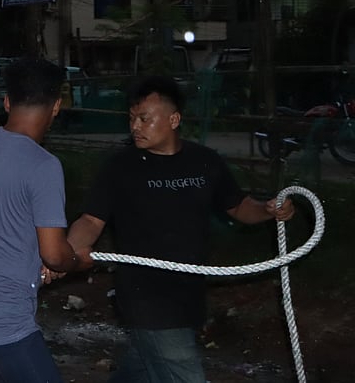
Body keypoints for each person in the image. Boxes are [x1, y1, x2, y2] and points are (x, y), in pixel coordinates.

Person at [67, 75, 295, 383]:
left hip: (188, 293)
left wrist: (267, 210)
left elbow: (239, 206)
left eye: (144, 119)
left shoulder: (205, 161)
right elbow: (91, 221)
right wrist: (68, 252)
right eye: (132, 119)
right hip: (143, 297)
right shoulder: (120, 167)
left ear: (174, 120)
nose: (135, 127)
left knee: (143, 364)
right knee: (183, 372)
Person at [0, 57, 92, 382]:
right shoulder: (43, 165)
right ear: (56, 106)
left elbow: (3, 223)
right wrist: (78, 260)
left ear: (6, 101)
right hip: (6, 323)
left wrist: (39, 261)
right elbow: (54, 254)